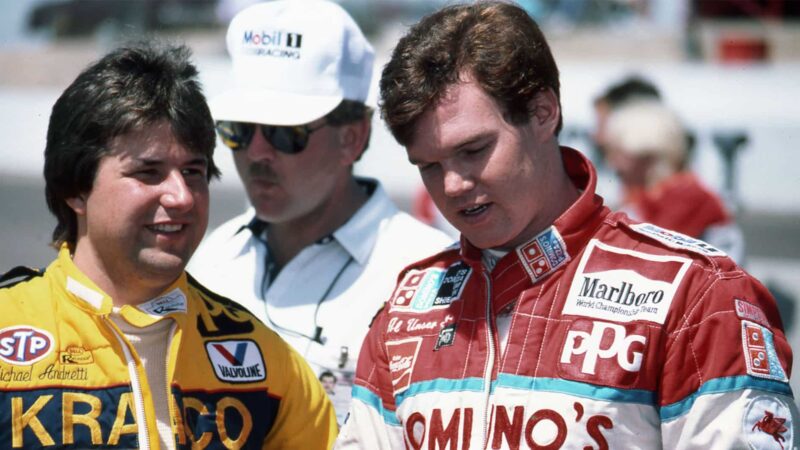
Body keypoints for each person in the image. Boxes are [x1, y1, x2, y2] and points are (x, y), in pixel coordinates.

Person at [336, 2, 798, 449]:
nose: (453, 184)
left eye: (473, 150)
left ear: (543, 113)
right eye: (429, 166)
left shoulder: (695, 294)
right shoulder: (409, 309)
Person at [0, 42, 336, 449]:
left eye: (193, 171)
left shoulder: (266, 360)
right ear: (75, 187)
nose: (182, 196)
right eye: (149, 172)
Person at [188, 0, 452, 425]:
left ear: (352, 137)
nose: (256, 152)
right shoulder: (210, 259)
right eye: (238, 129)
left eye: (283, 132)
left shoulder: (431, 274)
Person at [604, 100, 745, 263]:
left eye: (618, 153)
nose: (611, 164)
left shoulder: (687, 202)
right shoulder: (649, 201)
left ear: (646, 154)